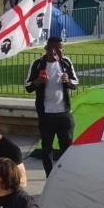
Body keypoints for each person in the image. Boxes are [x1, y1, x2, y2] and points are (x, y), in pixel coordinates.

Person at [24, 38, 79, 176]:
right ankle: (49, 175)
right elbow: (28, 87)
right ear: (46, 49)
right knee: (46, 148)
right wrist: (37, 82)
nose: (55, 52)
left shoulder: (65, 63)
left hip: (64, 113)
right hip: (46, 114)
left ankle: (65, 175)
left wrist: (68, 81)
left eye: (59, 49)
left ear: (63, 50)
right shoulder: (37, 64)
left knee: (66, 147)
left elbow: (76, 83)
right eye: (52, 49)